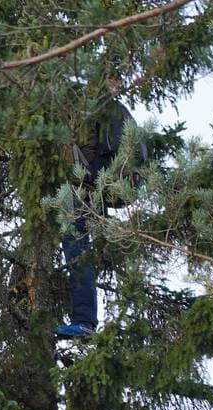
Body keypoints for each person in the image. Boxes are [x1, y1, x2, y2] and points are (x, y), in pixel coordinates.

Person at [55, 101, 147, 339]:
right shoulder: (102, 105)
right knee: (78, 246)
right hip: (102, 186)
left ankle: (84, 321)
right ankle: (84, 320)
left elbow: (86, 154)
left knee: (76, 245)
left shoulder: (84, 107)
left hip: (89, 186)